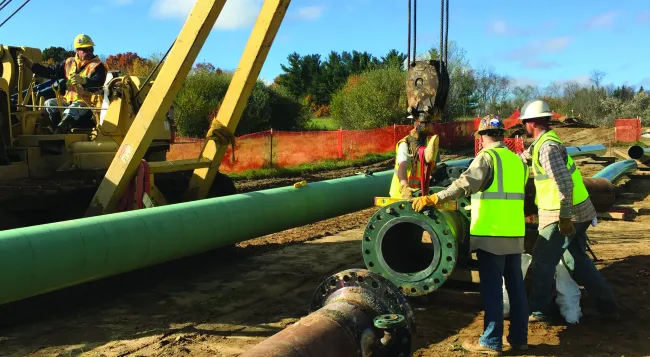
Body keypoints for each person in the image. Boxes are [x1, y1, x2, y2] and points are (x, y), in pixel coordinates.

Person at [412, 115, 529, 355]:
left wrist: (435, 198)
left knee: (493, 289)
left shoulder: (487, 157)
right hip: (515, 233)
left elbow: (465, 184)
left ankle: (491, 341)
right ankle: (519, 338)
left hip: (491, 233)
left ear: (482, 136)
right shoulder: (518, 161)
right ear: (503, 136)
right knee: (516, 289)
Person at [518, 99, 619, 323]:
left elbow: (565, 184)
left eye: (524, 122)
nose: (523, 126)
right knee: (576, 261)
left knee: (543, 261)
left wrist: (564, 217)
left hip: (563, 214)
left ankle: (538, 311)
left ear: (532, 123)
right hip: (579, 211)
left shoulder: (547, 148)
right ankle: (608, 307)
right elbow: (521, 160)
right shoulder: (541, 143)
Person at [17, 34, 107, 133]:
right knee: (49, 104)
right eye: (85, 50)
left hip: (88, 104)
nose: (89, 52)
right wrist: (31, 65)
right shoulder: (69, 63)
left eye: (91, 49)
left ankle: (59, 131)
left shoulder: (98, 66)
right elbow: (50, 72)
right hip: (68, 100)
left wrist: (84, 81)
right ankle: (55, 128)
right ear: (77, 50)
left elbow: (98, 83)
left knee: (72, 109)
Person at [388, 112, 440, 200]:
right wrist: (404, 187)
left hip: (418, 194)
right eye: (432, 123)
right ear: (422, 125)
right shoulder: (405, 144)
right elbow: (402, 166)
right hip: (401, 197)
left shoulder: (429, 143)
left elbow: (431, 167)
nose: (433, 125)